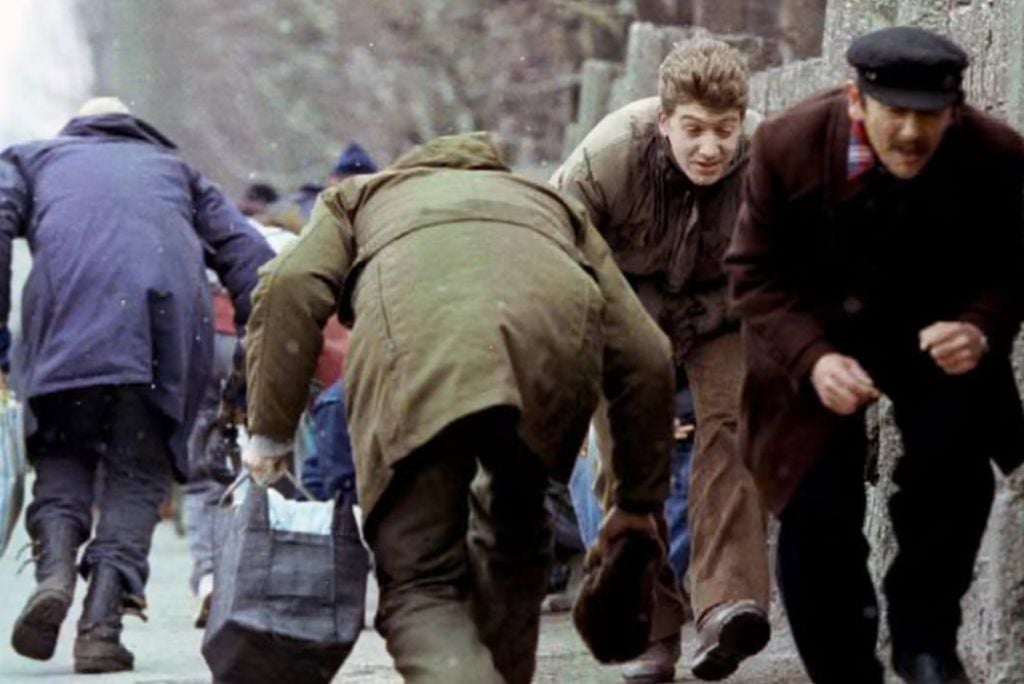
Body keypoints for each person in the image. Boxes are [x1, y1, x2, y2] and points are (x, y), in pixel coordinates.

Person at [241, 132, 675, 684]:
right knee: (517, 538)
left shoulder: (363, 197)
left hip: (417, 362)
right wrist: (635, 501)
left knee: (420, 583)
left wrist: (270, 433)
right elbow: (646, 352)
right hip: (545, 361)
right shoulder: (551, 204)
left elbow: (287, 284)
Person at [726, 26, 1024, 684]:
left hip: (934, 335)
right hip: (813, 340)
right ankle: (844, 669)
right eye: (897, 114)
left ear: (956, 111)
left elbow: (1012, 269)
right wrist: (813, 358)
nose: (913, 136)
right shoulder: (787, 145)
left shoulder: (995, 155)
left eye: (931, 117)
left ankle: (925, 644)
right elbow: (753, 276)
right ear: (857, 102)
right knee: (813, 506)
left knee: (953, 476)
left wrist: (979, 326)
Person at [0, 97, 274, 674]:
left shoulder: (33, 161)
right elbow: (247, 252)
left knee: (62, 458)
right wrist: (261, 342)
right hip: (162, 338)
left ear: (76, 128)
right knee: (137, 472)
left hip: (63, 335)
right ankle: (101, 628)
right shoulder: (176, 171)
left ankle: (53, 574)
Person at [552, 37, 769, 682]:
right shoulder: (608, 157)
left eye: (725, 132)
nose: (711, 149)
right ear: (664, 120)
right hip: (624, 302)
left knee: (732, 428)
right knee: (625, 450)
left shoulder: (768, 163)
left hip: (725, 307)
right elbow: (557, 254)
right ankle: (649, 628)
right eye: (695, 130)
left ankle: (727, 607)